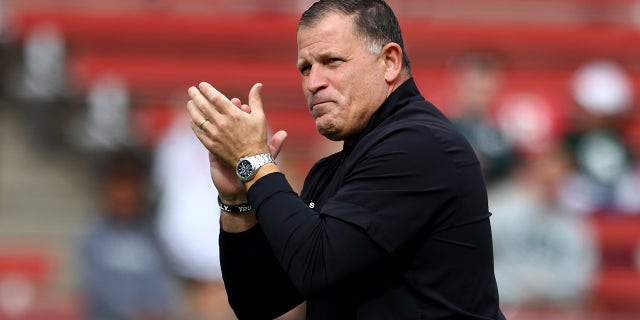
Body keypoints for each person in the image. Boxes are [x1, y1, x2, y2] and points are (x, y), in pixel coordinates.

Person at [186, 1, 505, 319]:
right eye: (305, 68)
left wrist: (254, 162)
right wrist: (238, 200)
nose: (313, 83)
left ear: (389, 62)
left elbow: (317, 264)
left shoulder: (421, 146)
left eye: (332, 61)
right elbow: (257, 301)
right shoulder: (335, 169)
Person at [77, 149, 178, 320]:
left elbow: (164, 288)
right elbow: (98, 291)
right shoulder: (93, 238)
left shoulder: (156, 235)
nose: (125, 194)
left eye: (131, 186)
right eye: (119, 185)